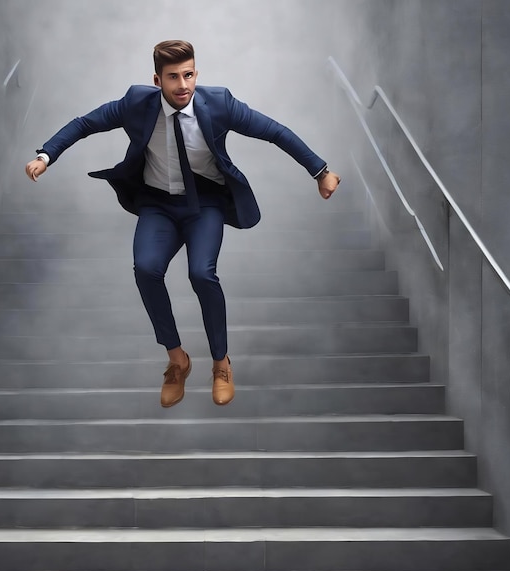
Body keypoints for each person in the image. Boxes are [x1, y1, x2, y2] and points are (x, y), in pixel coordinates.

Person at [25, 39, 340, 409]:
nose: (183, 85)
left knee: (202, 274)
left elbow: (274, 131)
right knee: (145, 268)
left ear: (196, 73)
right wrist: (47, 155)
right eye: (173, 77)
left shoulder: (219, 103)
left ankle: (221, 364)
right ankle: (177, 360)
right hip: (158, 204)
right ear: (157, 80)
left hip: (204, 203)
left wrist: (321, 171)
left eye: (188, 74)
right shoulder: (136, 104)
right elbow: (85, 124)